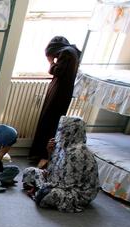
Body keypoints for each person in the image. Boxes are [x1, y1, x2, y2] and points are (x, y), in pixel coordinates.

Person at [22, 116, 99, 212]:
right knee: (29, 172)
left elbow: (67, 184)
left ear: (74, 131)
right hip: (58, 181)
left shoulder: (79, 152)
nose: (61, 132)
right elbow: (51, 168)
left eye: (64, 129)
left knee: (45, 194)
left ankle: (38, 191)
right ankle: (38, 190)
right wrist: (49, 152)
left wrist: (46, 184)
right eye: (60, 128)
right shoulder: (63, 144)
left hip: (76, 192)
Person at [28, 36, 81, 165]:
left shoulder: (66, 53)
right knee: (51, 123)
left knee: (48, 122)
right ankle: (43, 153)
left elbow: (57, 71)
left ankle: (42, 154)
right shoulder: (72, 52)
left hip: (58, 94)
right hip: (62, 93)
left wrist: (51, 62)